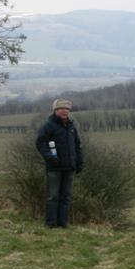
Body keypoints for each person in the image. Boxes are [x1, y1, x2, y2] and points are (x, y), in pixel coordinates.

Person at [34, 98, 83, 228]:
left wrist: (79, 162)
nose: (65, 111)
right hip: (54, 168)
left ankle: (63, 223)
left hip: (69, 167)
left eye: (67, 109)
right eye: (61, 108)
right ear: (55, 110)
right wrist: (50, 158)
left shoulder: (72, 126)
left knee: (66, 196)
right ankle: (50, 224)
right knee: (53, 196)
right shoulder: (48, 126)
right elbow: (40, 143)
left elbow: (77, 145)